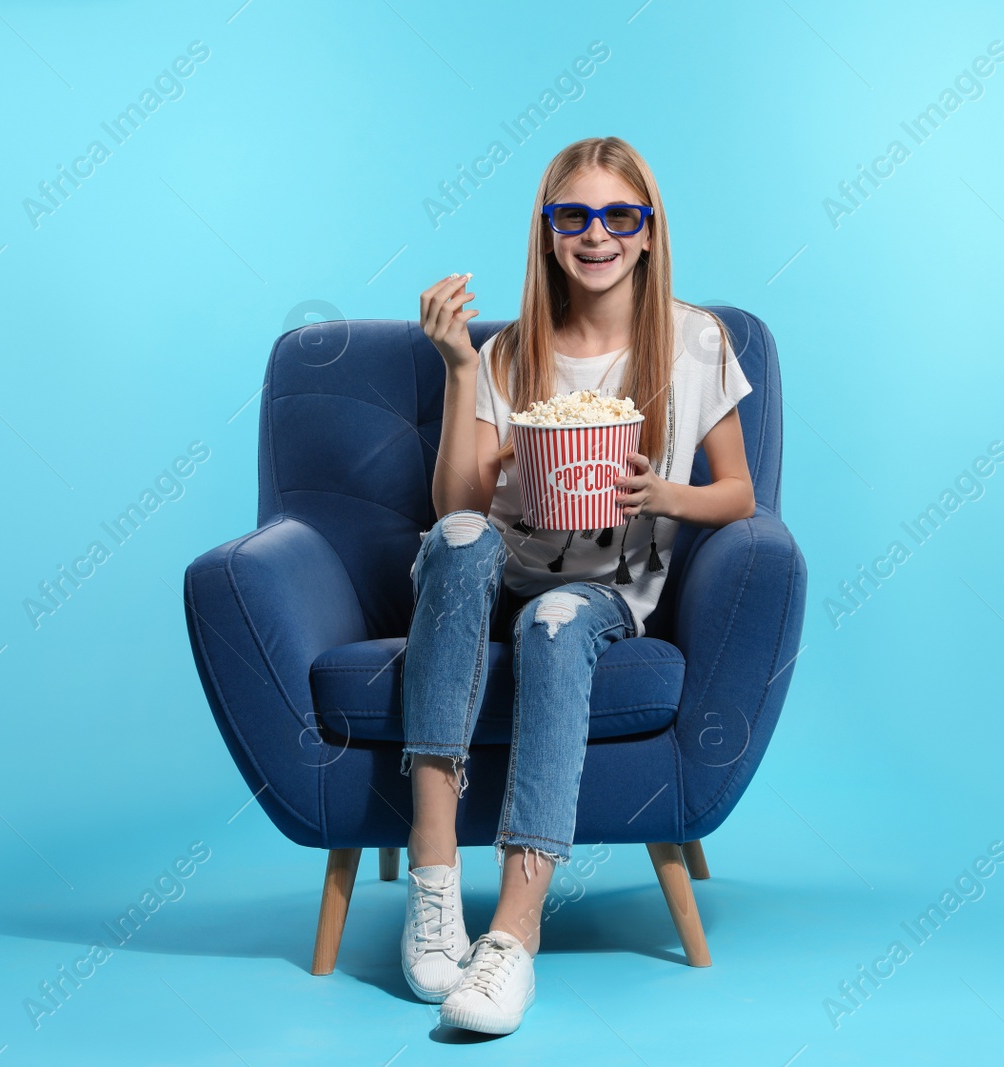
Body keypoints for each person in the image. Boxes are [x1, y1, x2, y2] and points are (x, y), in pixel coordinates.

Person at [400, 135, 756, 1035]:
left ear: (646, 231)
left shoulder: (694, 340)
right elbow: (455, 503)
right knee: (460, 535)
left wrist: (662, 493)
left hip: (602, 588)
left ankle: (512, 939)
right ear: (549, 232)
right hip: (498, 562)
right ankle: (434, 877)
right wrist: (458, 370)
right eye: (574, 216)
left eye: (618, 216)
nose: (596, 234)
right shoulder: (511, 351)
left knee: (555, 620)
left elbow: (740, 493)